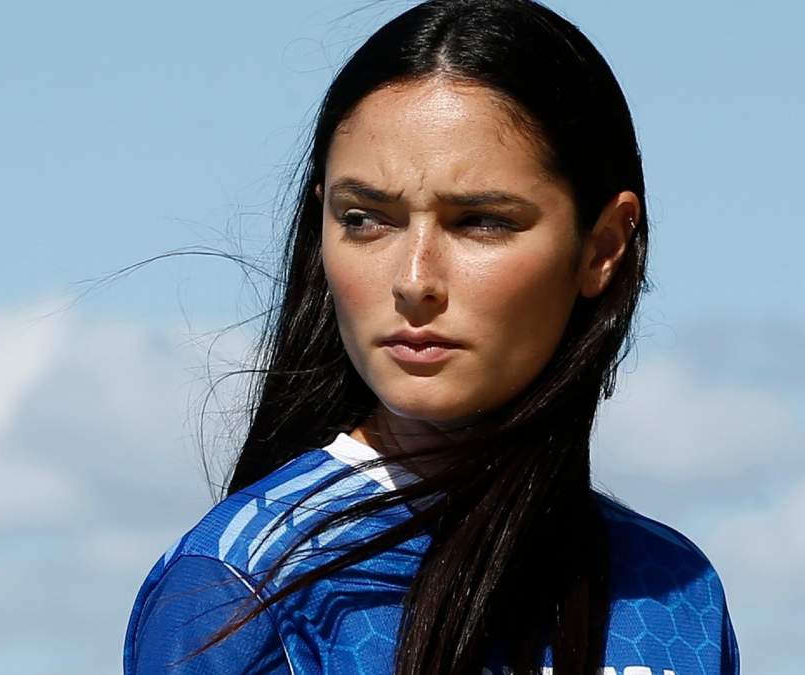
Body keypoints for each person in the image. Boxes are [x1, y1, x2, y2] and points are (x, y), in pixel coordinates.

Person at [122, 0, 740, 673]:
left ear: (603, 248)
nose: (414, 280)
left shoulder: (675, 594)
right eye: (365, 218)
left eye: (480, 221)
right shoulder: (238, 590)